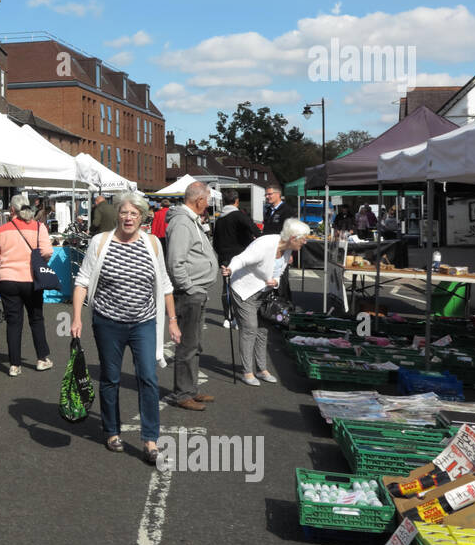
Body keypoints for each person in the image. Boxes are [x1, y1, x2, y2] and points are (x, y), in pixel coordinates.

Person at [71, 191, 180, 463]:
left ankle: (151, 440)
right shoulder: (100, 242)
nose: (128, 217)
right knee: (110, 378)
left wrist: (173, 321)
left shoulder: (153, 244)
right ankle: (111, 431)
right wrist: (76, 317)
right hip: (108, 323)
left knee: (148, 378)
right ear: (117, 214)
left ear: (142, 217)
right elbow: (82, 281)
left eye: (134, 213)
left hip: (144, 322)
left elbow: (165, 285)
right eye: (124, 212)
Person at [223, 219, 310, 386]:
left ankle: (262, 369)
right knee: (250, 329)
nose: (305, 242)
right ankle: (247, 372)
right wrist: (230, 269)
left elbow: (279, 272)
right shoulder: (265, 244)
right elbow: (241, 259)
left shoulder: (286, 251)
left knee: (263, 331)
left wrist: (275, 282)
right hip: (244, 290)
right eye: (303, 238)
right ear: (293, 237)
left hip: (264, 294)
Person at [164, 181, 218, 411]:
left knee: (194, 343)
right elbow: (176, 261)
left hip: (196, 290)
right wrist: (188, 286)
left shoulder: (189, 221)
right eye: (207, 201)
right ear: (199, 201)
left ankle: (190, 389)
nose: (208, 205)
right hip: (190, 291)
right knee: (188, 345)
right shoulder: (183, 223)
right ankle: (183, 392)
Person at [0, 194, 54, 377]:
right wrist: (39, 260)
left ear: (12, 210)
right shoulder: (39, 227)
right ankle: (41, 359)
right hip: (31, 279)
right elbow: (48, 251)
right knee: (36, 319)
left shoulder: (2, 230)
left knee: (14, 322)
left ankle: (14, 365)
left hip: (8, 280)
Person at [212, 189, 259, 267]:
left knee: (228, 278)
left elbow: (215, 242)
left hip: (224, 259)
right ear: (237, 201)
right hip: (240, 258)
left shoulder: (219, 219)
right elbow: (256, 232)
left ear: (224, 201)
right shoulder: (240, 216)